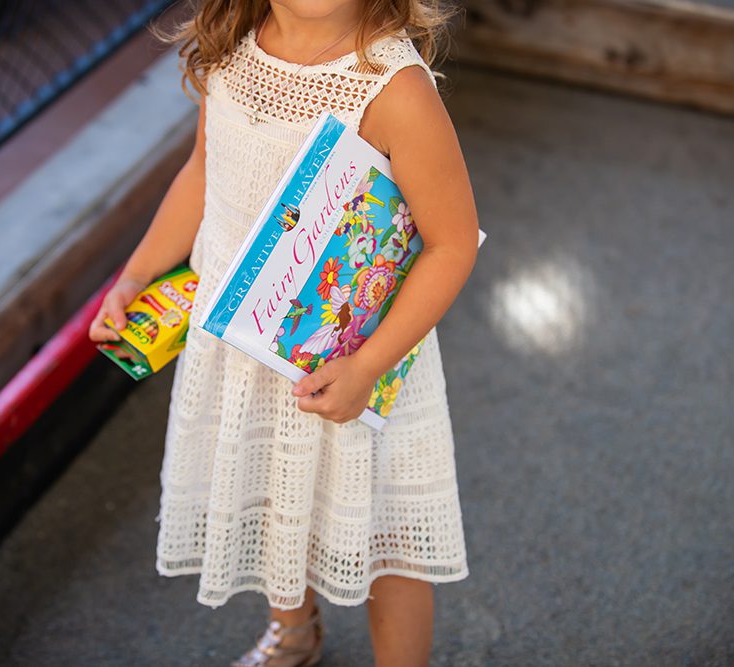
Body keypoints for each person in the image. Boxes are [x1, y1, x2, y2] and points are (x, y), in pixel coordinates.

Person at [88, 1, 480, 665]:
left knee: (386, 527)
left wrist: (368, 367)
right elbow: (203, 172)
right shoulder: (233, 45)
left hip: (352, 352)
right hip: (243, 345)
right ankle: (293, 630)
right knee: (272, 488)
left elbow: (452, 243)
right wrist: (134, 276)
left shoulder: (393, 88)